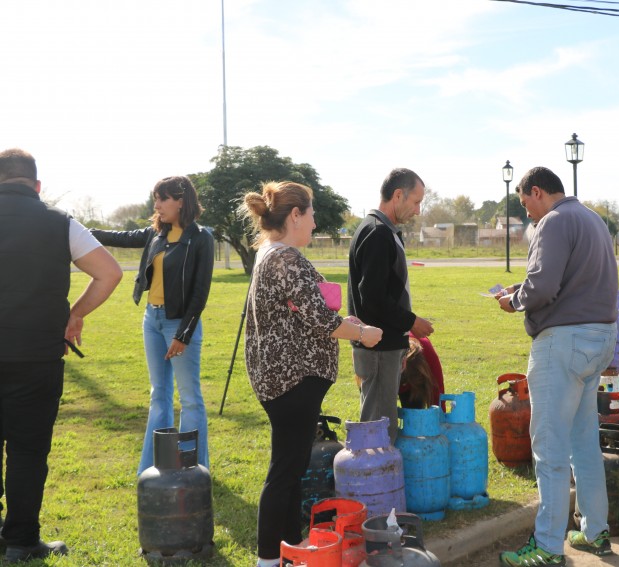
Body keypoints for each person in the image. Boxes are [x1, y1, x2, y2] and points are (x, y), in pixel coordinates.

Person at [241, 181, 381, 567]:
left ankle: (287, 551)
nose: (316, 223)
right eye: (312, 214)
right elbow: (320, 320)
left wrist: (343, 321)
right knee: (285, 470)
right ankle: (269, 559)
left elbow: (305, 313)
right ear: (295, 215)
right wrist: (363, 333)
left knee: (291, 467)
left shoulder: (270, 253)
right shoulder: (285, 258)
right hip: (292, 382)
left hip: (282, 380)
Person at [0, 148, 122, 562]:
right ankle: (20, 540)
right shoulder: (59, 223)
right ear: (37, 186)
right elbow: (110, 272)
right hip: (37, 355)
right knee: (28, 453)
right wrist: (75, 314)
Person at [496, 166, 619, 566]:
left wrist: (513, 300)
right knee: (584, 443)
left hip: (564, 342)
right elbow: (568, 279)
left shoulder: (553, 220)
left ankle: (547, 547)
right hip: (599, 339)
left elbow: (545, 287)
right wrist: (525, 288)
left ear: (537, 192)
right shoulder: (591, 219)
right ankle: (595, 531)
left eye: (524, 202)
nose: (526, 211)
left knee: (549, 449)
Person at [90, 176, 214, 475]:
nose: (156, 205)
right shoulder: (155, 234)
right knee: (158, 394)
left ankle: (193, 469)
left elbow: (199, 293)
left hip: (179, 325)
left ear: (181, 201)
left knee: (190, 399)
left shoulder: (200, 238)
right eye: (155, 198)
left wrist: (183, 334)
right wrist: (79, 230)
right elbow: (118, 237)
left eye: (162, 198)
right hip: (152, 320)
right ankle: (153, 468)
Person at [347, 168, 434, 442]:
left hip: (382, 345)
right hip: (378, 348)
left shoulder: (383, 230)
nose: (418, 210)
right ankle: (375, 483)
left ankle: (378, 482)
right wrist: (411, 322)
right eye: (416, 202)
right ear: (398, 195)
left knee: (378, 422)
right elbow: (371, 299)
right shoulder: (377, 233)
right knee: (378, 428)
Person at [399, 336, 444, 409]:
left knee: (415, 411)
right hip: (391, 372)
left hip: (416, 386)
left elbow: (438, 392)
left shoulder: (428, 354)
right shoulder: (386, 354)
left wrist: (439, 417)